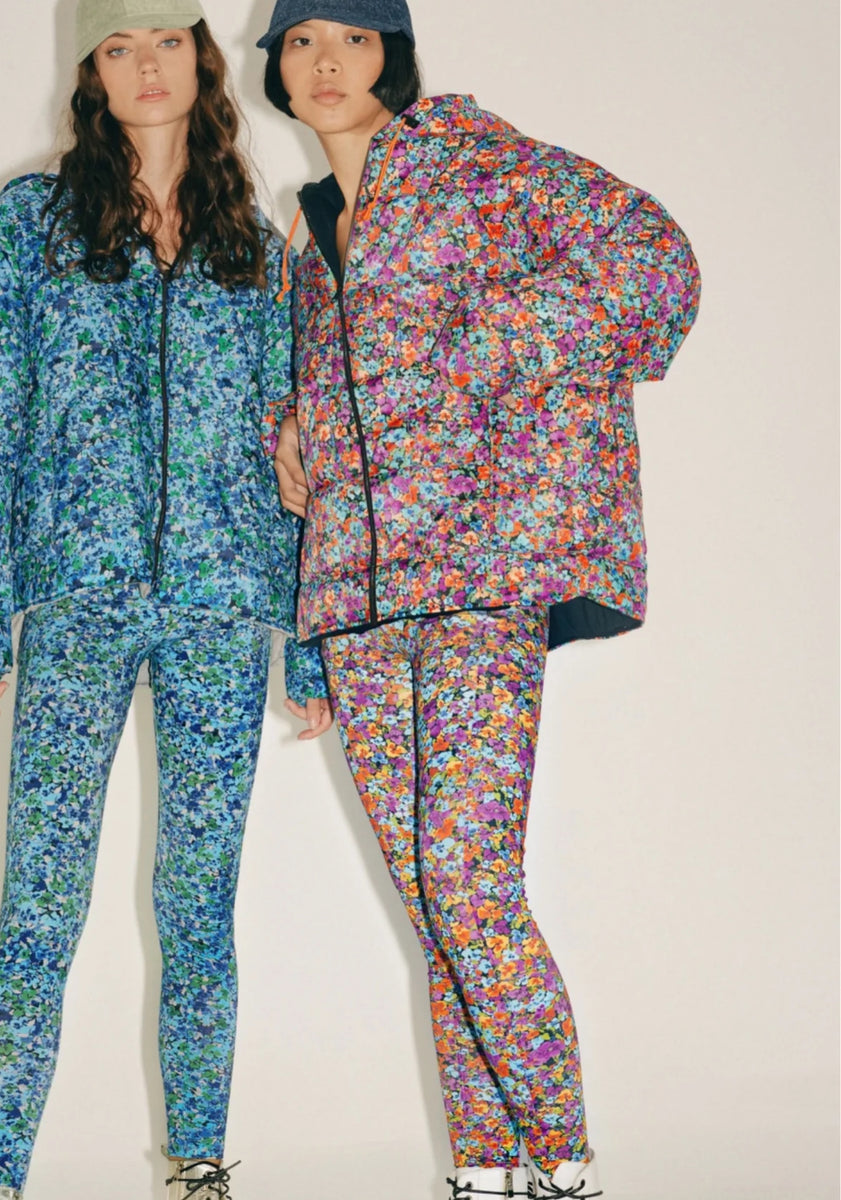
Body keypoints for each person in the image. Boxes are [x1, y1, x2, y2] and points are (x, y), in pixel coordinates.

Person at [259, 1, 700, 1196]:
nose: (326, 60)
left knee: (469, 892)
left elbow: (655, 262)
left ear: (391, 58)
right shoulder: (306, 231)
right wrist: (293, 432)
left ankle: (562, 1163)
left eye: (353, 38)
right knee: (433, 912)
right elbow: (334, 394)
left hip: (477, 575)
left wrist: (480, 345)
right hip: (356, 597)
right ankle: (486, 1172)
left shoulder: (478, 167)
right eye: (301, 41)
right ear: (277, 71)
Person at [0, 1, 332, 1197]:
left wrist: (310, 639)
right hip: (76, 598)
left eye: (166, 42)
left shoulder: (259, 243)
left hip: (222, 605)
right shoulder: (32, 219)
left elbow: (300, 443)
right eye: (119, 47)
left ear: (200, 58)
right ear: (92, 69)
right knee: (39, 905)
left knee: (198, 908)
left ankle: (197, 1171)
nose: (145, 66)